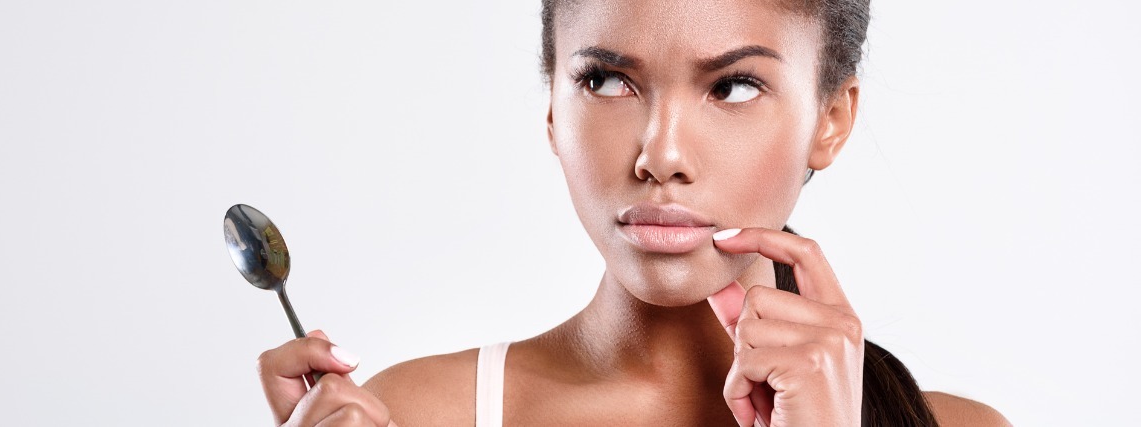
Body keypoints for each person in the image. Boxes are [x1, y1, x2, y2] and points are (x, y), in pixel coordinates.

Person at [256, 0, 1010, 425]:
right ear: (551, 106)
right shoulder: (418, 414)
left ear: (831, 118)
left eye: (734, 87)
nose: (662, 153)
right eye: (609, 81)